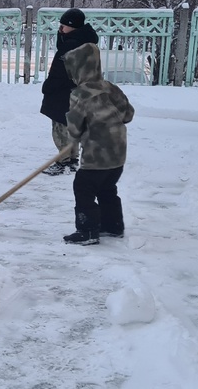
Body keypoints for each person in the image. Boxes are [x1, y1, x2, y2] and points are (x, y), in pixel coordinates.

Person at [60, 43, 135, 245]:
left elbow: (74, 127)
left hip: (97, 156)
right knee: (107, 189)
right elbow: (128, 114)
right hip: (118, 155)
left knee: (83, 187)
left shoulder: (80, 94)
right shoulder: (110, 87)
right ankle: (113, 225)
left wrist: (75, 136)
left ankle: (88, 231)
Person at [40, 8, 99, 176]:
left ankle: (63, 161)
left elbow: (59, 73)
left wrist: (48, 87)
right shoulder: (86, 43)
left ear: (73, 27)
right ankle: (72, 160)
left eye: (63, 26)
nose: (60, 29)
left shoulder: (71, 47)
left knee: (60, 128)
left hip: (63, 93)